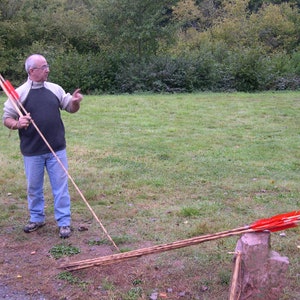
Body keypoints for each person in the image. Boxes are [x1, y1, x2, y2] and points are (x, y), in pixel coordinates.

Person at [2, 54, 83, 238]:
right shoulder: (19, 93)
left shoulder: (55, 89)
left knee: (61, 187)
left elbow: (70, 107)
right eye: (43, 66)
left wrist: (75, 102)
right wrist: (18, 123)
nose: (48, 69)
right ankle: (37, 218)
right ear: (32, 71)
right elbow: (6, 118)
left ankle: (64, 222)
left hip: (57, 148)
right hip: (32, 151)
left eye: (47, 66)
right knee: (34, 187)